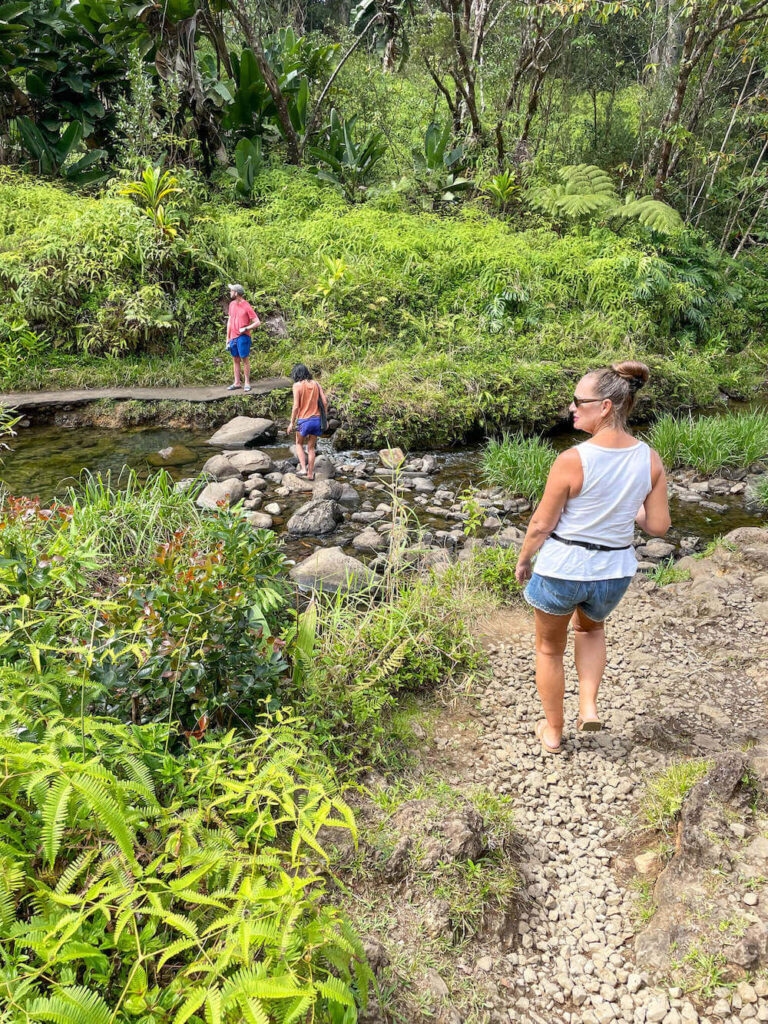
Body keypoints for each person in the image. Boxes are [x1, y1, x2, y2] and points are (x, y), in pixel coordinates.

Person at [514, 361, 671, 755]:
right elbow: (657, 527)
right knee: (591, 631)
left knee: (550, 649)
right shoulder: (649, 459)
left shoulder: (572, 459)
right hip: (612, 574)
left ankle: (552, 731)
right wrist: (626, 506)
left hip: (563, 570)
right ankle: (588, 705)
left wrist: (524, 560)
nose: (571, 408)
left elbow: (541, 525)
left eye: (578, 402)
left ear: (604, 407)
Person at [286, 364, 327, 481]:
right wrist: (325, 418)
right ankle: (310, 474)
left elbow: (295, 406)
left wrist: (291, 423)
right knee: (311, 448)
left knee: (298, 443)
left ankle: (303, 468)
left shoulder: (297, 386)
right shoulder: (316, 384)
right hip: (316, 420)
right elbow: (324, 402)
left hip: (303, 421)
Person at [225, 284, 260, 393]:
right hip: (233, 337)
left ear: (236, 293)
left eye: (231, 291)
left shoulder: (246, 306)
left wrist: (246, 328)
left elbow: (257, 322)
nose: (230, 292)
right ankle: (237, 382)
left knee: (244, 359)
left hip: (243, 337)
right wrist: (228, 338)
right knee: (235, 359)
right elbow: (229, 321)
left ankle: (247, 382)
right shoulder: (231, 304)